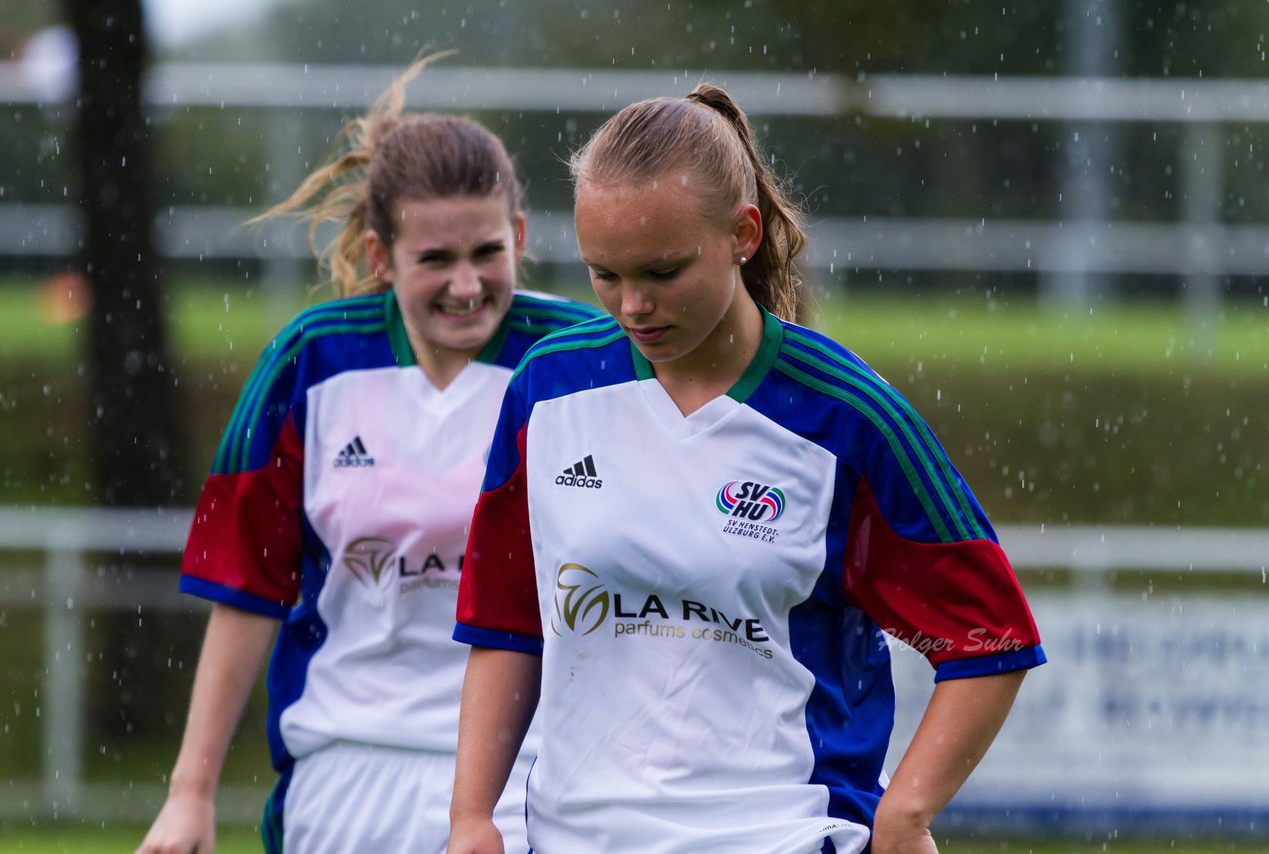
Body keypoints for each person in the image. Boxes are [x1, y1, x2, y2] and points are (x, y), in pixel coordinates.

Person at [447, 83, 1046, 854]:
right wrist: (471, 818)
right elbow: (505, 622)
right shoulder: (547, 390)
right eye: (605, 273)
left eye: (662, 272)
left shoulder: (847, 417)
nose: (631, 305)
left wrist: (905, 813)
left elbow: (989, 638)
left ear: (743, 234)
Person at [137, 55, 602, 854]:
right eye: (434, 260)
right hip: (347, 774)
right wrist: (190, 793)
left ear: (520, 236)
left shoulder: (584, 362)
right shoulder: (310, 362)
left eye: (487, 252)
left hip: (533, 779)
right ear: (381, 257)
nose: (466, 285)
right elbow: (245, 585)